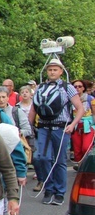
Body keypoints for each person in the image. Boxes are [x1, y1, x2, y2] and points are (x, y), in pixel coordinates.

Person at [29, 59, 85, 205]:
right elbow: (33, 109)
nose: (52, 72)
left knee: (59, 161)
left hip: (61, 127)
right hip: (43, 127)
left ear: (61, 71)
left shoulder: (68, 88)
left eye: (55, 70)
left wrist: (72, 125)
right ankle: (49, 188)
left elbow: (80, 108)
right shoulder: (41, 88)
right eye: (50, 70)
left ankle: (59, 193)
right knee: (42, 158)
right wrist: (29, 126)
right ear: (46, 71)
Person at [71, 79, 94, 168]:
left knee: (86, 147)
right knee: (77, 150)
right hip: (75, 127)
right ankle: (81, 168)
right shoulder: (70, 100)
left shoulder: (90, 99)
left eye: (79, 86)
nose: (77, 88)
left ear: (83, 88)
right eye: (75, 86)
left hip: (88, 126)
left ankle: (88, 166)